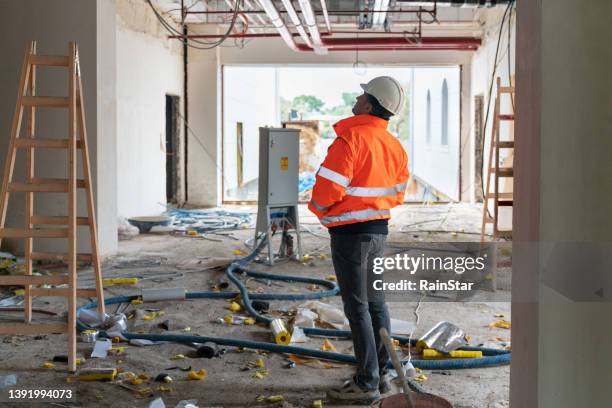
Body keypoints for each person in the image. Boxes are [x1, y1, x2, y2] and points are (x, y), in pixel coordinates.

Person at [308, 76, 409, 402]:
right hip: (379, 232)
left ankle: (367, 381)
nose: (357, 97)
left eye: (363, 94)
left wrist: (324, 214)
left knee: (358, 308)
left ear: (369, 104)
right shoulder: (394, 145)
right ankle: (385, 373)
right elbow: (397, 193)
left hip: (350, 236)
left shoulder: (350, 140)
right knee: (376, 304)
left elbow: (326, 192)